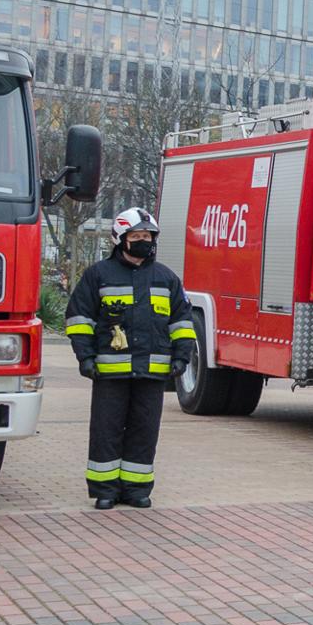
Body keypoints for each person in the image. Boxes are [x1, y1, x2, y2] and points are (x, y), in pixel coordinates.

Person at [64, 208, 195, 509]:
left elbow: (182, 323)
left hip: (152, 372)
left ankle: (137, 489)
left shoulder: (166, 278)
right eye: (136, 236)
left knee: (144, 430)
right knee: (106, 430)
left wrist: (181, 358)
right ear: (121, 239)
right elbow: (79, 318)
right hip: (110, 372)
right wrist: (85, 357)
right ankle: (105, 490)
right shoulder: (98, 275)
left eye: (147, 236)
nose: (143, 241)